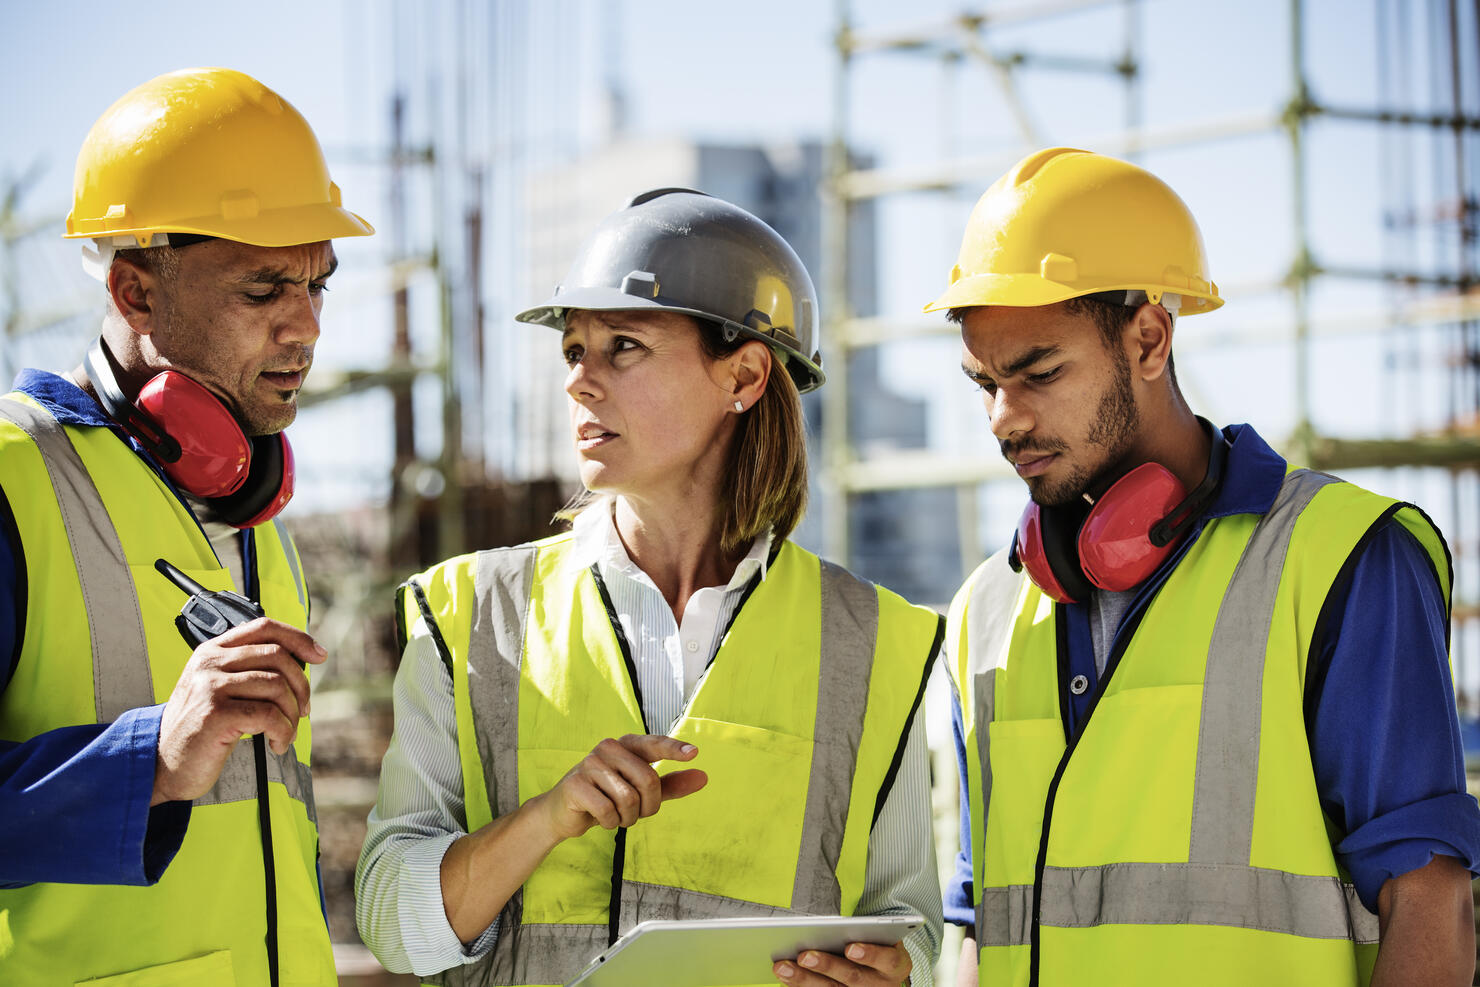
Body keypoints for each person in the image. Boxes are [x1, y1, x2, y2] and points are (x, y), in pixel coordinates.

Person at [356, 188, 944, 987]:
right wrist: (546, 819)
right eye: (573, 351)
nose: (580, 382)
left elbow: (911, 927)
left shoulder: (880, 643)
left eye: (623, 345)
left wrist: (891, 974)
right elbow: (393, 925)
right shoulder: (467, 614)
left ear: (743, 374)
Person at [926, 147, 1480, 986]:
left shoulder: (1341, 560)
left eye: (1039, 373)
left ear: (1149, 338)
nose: (1005, 420)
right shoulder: (987, 607)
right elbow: (979, 925)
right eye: (984, 384)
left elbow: (1430, 904)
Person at [0, 67, 372, 986]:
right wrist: (152, 761)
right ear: (134, 291)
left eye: (319, 285)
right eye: (264, 289)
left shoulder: (253, 513)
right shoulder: (13, 475)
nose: (306, 329)